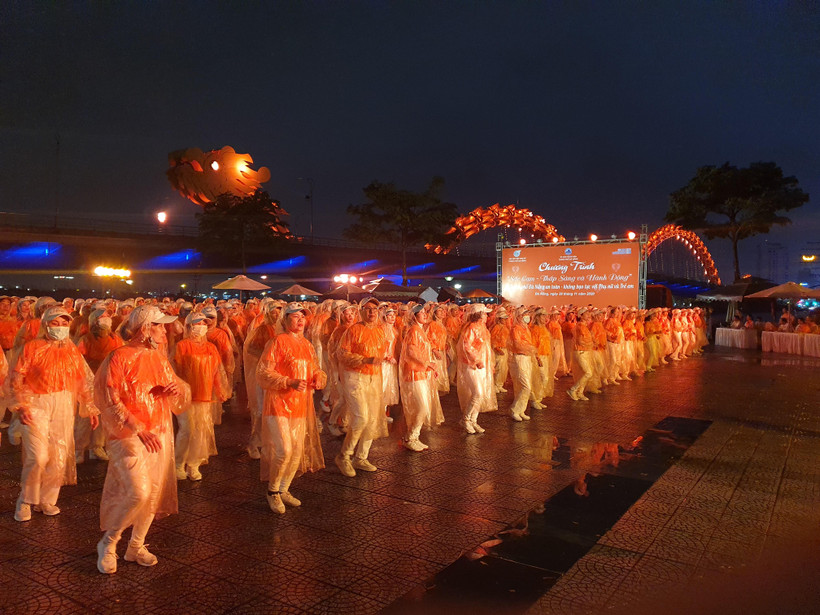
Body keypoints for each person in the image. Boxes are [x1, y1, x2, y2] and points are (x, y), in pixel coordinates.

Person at [94, 305, 190, 574]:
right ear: (145, 328)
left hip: (158, 430)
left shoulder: (158, 357)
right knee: (139, 491)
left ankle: (136, 546)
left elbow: (177, 389)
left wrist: (174, 388)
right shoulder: (118, 357)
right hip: (129, 434)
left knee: (153, 493)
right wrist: (137, 426)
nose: (164, 330)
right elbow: (109, 399)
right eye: (159, 325)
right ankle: (109, 543)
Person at [11, 305, 99, 522]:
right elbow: (16, 378)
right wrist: (21, 405)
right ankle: (25, 499)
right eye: (55, 323)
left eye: (64, 323)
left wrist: (90, 406)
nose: (60, 327)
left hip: (63, 403)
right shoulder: (32, 347)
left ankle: (47, 499)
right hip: (36, 403)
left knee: (58, 455)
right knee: (37, 456)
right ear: (45, 325)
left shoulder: (71, 349)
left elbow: (83, 380)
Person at [256, 303, 326, 513]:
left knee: (296, 451)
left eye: (302, 317)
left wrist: (319, 378)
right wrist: (288, 382)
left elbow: (316, 368)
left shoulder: (307, 344)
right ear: (285, 320)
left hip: (299, 404)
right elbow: (263, 373)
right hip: (278, 404)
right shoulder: (277, 341)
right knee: (284, 449)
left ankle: (284, 488)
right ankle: (272, 491)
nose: (300, 320)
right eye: (294, 317)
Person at [173, 311, 230, 481]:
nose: (202, 327)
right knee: (187, 429)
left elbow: (216, 371)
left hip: (205, 395)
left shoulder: (211, 347)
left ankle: (194, 464)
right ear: (189, 326)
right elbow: (176, 370)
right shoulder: (182, 346)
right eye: (198, 324)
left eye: (204, 324)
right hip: (187, 395)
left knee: (201, 430)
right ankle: (178, 463)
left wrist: (220, 389)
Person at [335, 297, 388, 477]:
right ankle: (344, 455)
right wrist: (364, 360)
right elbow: (342, 354)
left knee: (372, 418)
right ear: (361, 311)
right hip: (354, 376)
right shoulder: (353, 330)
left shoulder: (381, 331)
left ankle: (361, 457)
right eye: (368, 308)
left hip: (373, 376)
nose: (372, 312)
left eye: (375, 309)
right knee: (361, 417)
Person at [75, 309, 124, 463]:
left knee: (104, 416)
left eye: (107, 316)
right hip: (89, 383)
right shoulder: (86, 339)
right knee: (85, 417)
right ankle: (78, 448)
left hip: (108, 381)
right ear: (94, 321)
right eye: (102, 317)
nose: (106, 319)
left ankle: (97, 446)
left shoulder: (116, 339)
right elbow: (78, 361)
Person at [398, 304, 443, 451]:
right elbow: (411, 352)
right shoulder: (414, 330)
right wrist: (427, 363)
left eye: (425, 312)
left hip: (421, 372)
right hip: (413, 374)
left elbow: (422, 351)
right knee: (421, 407)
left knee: (422, 406)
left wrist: (429, 367)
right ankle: (410, 437)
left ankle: (413, 436)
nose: (425, 314)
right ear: (414, 316)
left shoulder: (420, 330)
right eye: (421, 312)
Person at [456, 303, 496, 433]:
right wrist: (476, 360)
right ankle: (466, 419)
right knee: (477, 392)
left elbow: (487, 349)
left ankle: (473, 420)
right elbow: (466, 347)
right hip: (472, 366)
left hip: (482, 366)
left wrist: (490, 364)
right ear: (478, 315)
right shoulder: (471, 328)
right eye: (484, 313)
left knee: (481, 393)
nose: (486, 316)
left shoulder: (483, 328)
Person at [567, 308, 594, 401]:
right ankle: (573, 389)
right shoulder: (580, 326)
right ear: (580, 316)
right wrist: (592, 342)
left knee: (585, 372)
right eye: (586, 313)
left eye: (588, 313)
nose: (588, 315)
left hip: (584, 351)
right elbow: (580, 341)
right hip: (580, 351)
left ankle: (580, 392)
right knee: (588, 372)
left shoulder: (584, 326)